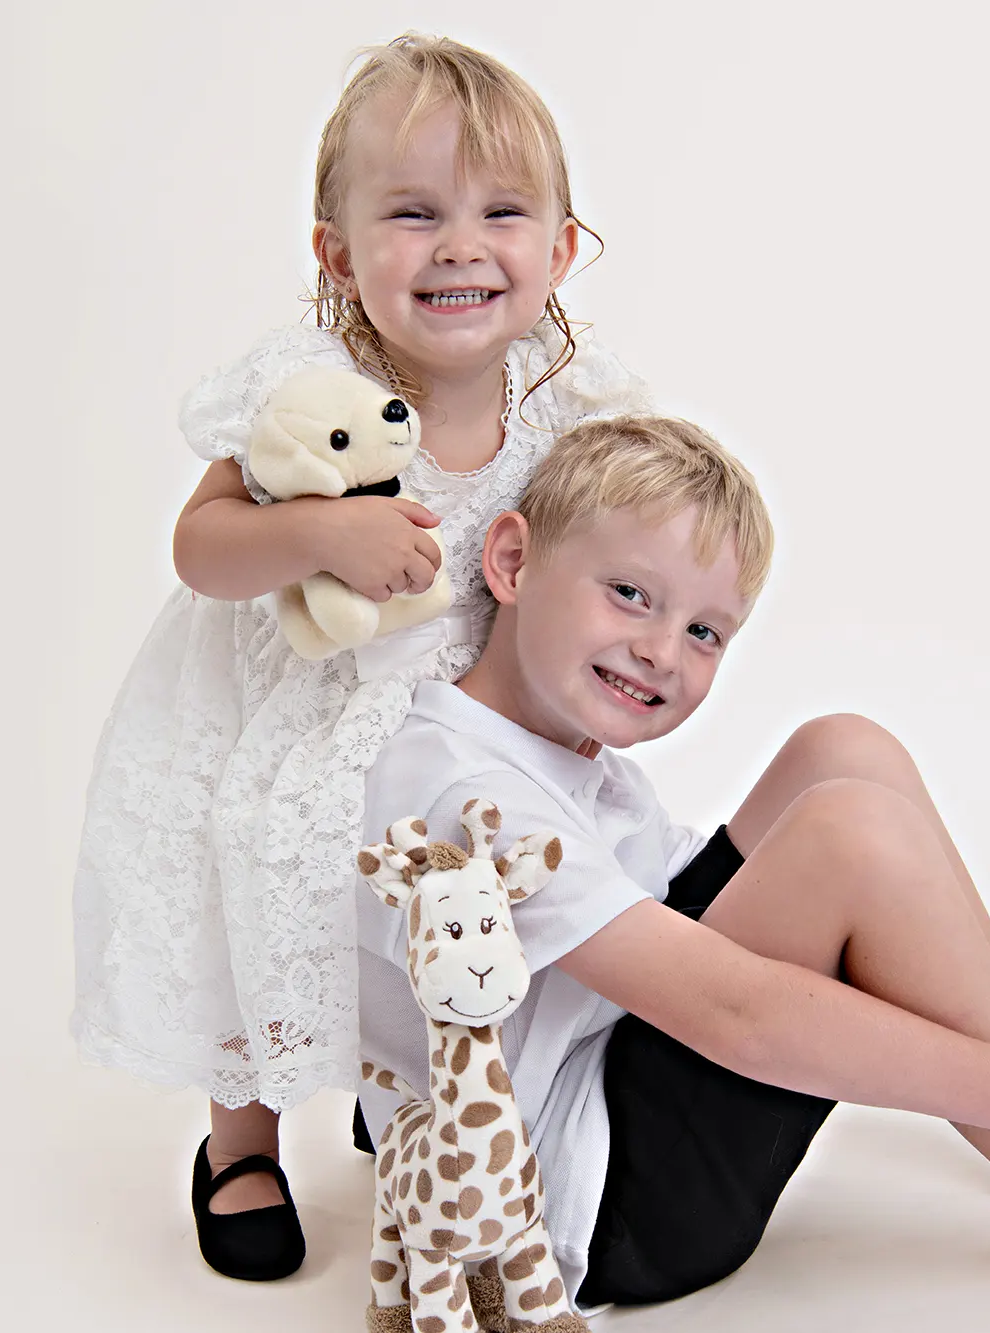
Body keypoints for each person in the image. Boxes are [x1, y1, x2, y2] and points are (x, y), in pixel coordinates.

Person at [356, 415, 990, 1312]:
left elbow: (675, 893)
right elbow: (736, 1010)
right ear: (512, 562)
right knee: (848, 833)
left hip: (614, 1065)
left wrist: (982, 961)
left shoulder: (564, 754)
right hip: (585, 1201)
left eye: (706, 631)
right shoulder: (460, 792)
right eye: (630, 592)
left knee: (843, 751)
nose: (662, 650)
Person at [70, 33, 651, 1280]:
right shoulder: (308, 385)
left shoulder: (565, 408)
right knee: (270, 906)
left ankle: (421, 1103)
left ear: (556, 251)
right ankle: (241, 1138)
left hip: (469, 728)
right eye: (410, 212)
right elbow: (199, 546)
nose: (456, 245)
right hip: (295, 721)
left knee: (462, 919)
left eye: (500, 212)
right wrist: (315, 529)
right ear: (335, 254)